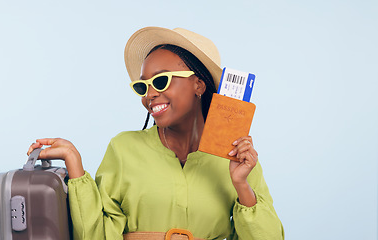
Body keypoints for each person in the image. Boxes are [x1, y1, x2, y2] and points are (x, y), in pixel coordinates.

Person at [28, 27, 284, 240]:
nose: (150, 94)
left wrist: (241, 185)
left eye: (161, 81)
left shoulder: (237, 157)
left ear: (198, 84)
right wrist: (75, 167)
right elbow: (98, 235)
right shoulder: (123, 149)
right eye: (143, 86)